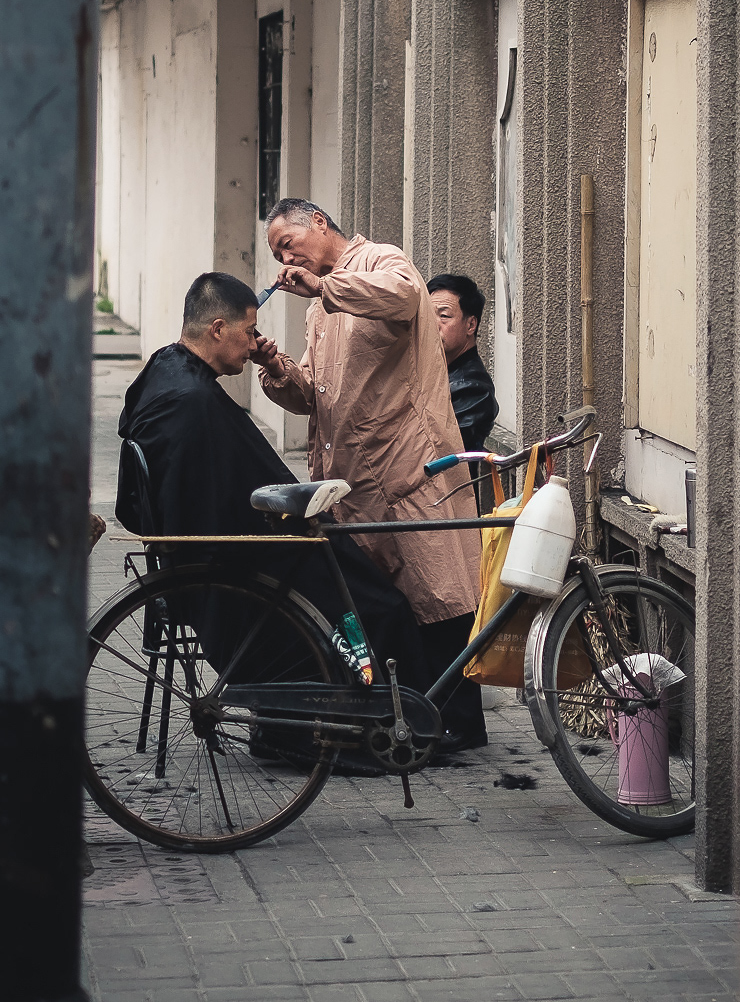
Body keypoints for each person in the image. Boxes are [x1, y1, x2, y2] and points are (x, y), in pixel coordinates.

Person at [115, 272, 428, 695]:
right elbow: (225, 513)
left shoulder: (166, 369)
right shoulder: (192, 403)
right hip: (238, 562)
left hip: (211, 550)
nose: (252, 345)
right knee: (382, 607)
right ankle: (386, 713)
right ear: (218, 329)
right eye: (249, 332)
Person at [253, 200, 487, 751]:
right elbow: (314, 396)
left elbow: (405, 296)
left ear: (318, 222)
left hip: (408, 470)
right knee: (388, 606)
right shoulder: (317, 311)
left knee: (440, 598)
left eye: (288, 244)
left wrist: (324, 287)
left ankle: (457, 727)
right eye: (277, 255)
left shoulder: (382, 260)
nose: (285, 260)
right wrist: (274, 365)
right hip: (355, 482)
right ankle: (412, 718)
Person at [426, 273, 499, 455]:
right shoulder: (438, 370)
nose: (433, 324)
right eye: (427, 315)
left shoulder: (472, 388)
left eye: (444, 316)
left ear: (470, 325)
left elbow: (431, 449)